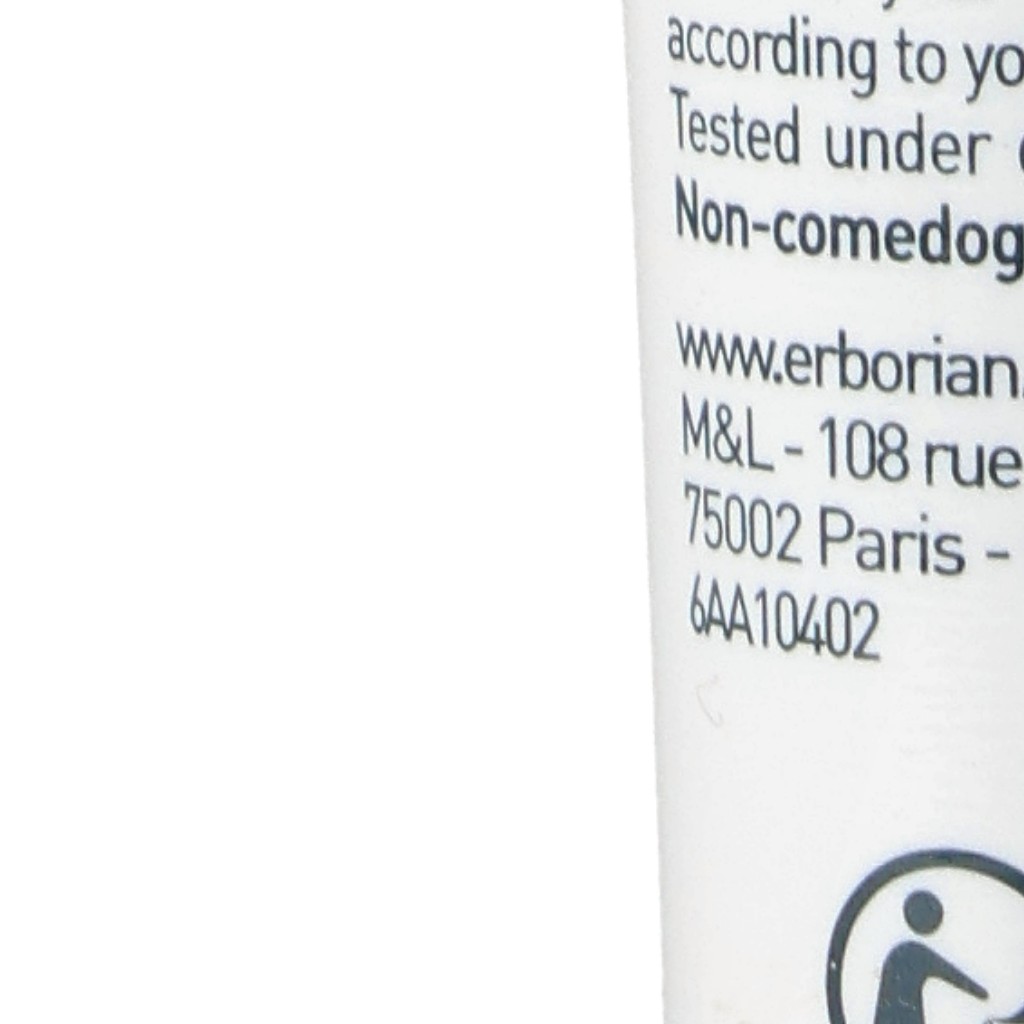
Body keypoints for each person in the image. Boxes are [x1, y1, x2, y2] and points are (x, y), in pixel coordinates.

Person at [874, 890, 988, 1024]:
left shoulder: (906, 953)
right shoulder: (910, 953)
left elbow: (954, 976)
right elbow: (953, 975)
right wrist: (981, 993)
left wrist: (980, 993)